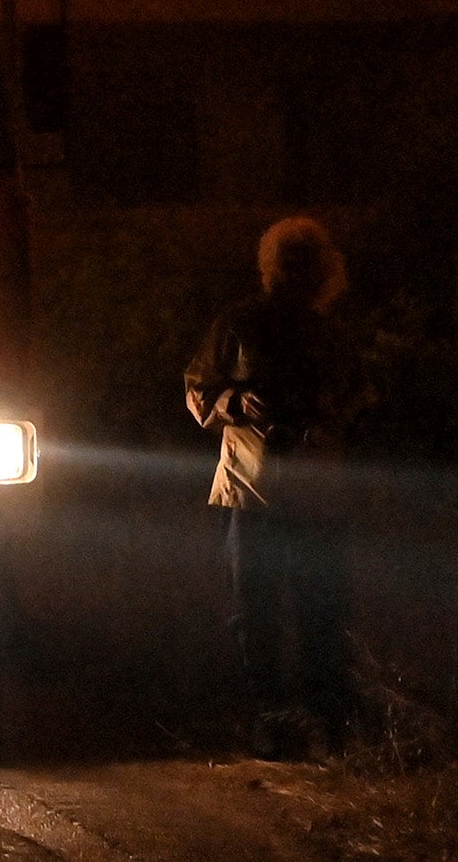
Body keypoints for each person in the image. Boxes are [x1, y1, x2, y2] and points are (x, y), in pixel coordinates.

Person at [183, 216, 360, 755]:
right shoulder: (241, 324)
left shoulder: (325, 335)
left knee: (300, 606)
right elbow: (198, 390)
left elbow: (356, 398)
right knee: (277, 607)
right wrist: (236, 404)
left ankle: (309, 721)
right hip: (259, 484)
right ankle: (287, 722)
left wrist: (321, 418)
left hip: (292, 486)